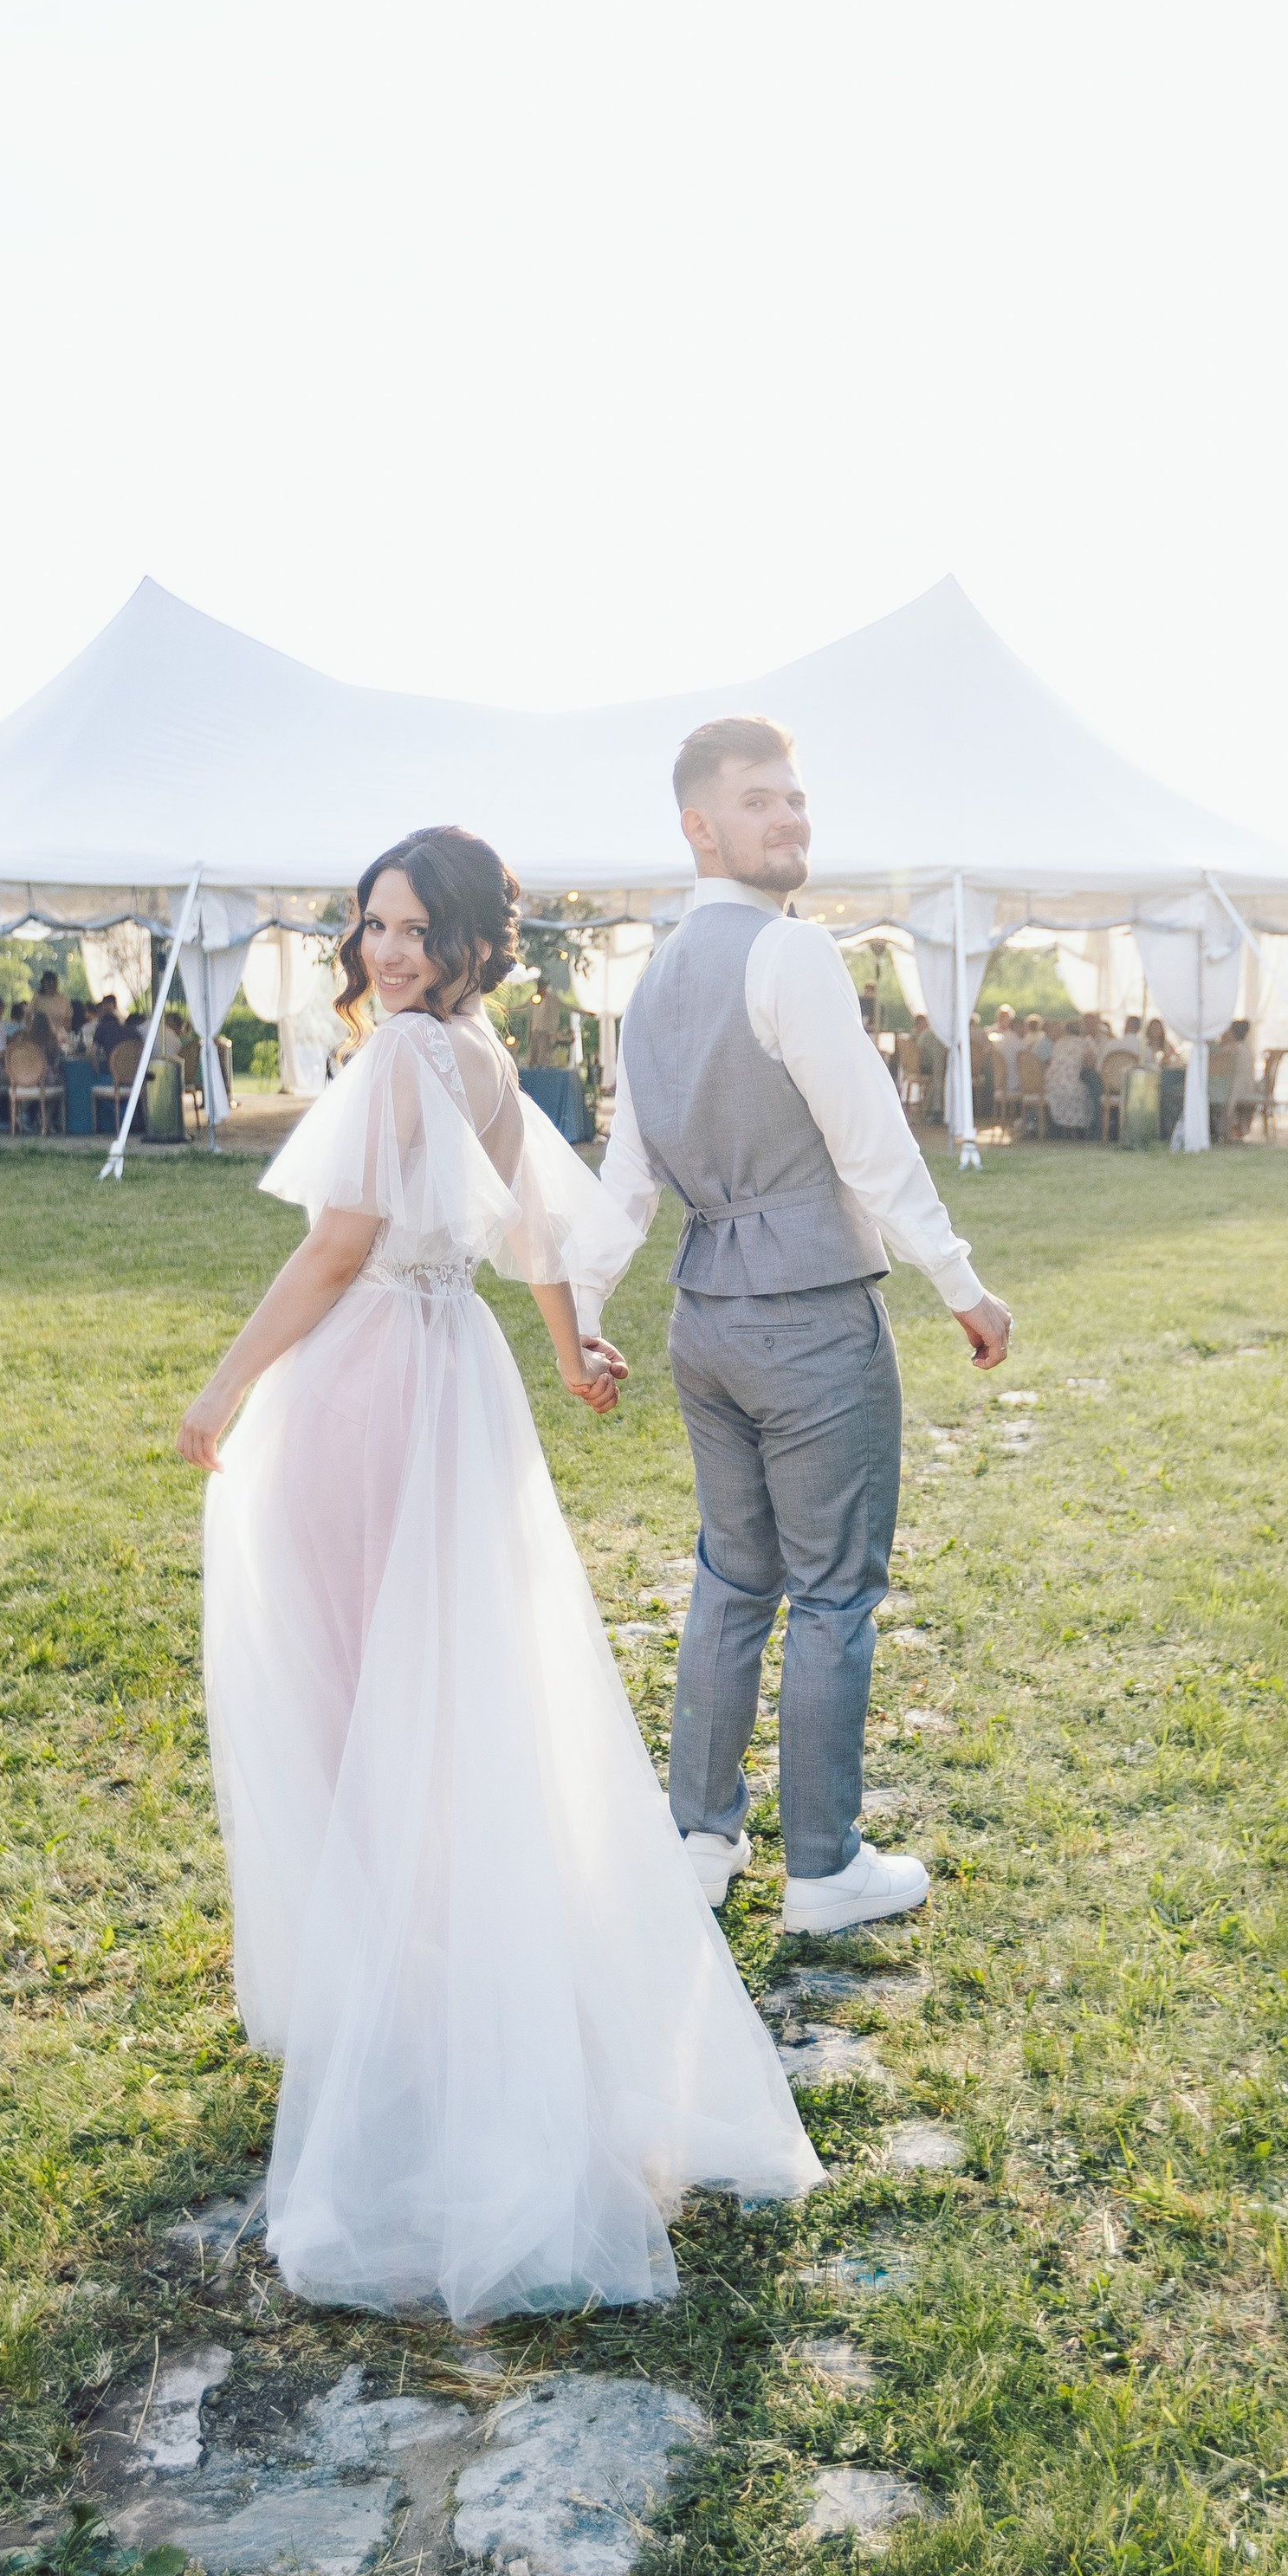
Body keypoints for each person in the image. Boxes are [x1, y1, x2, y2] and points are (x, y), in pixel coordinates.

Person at [178, 825, 819, 2320]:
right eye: (372, 925)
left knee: (354, 1698)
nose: (386, 950)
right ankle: (445, 2002)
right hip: (451, 1373)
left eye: (414, 927)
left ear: (470, 941)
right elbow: (534, 1223)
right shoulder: (473, 1057)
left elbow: (337, 1249)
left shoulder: (405, 1057)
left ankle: (412, 2040)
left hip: (364, 1388)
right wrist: (565, 1340)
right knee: (440, 1690)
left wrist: (222, 1389)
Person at [581, 714, 1014, 1940]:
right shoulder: (793, 957)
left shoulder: (648, 985)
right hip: (809, 1320)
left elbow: (627, 1184)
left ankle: (700, 1844)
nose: (791, 819)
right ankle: (824, 1870)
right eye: (762, 801)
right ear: (700, 825)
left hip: (703, 1321)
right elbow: (871, 1145)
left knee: (732, 1581)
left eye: (796, 799)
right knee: (829, 1593)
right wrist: (963, 1286)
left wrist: (593, 1313)